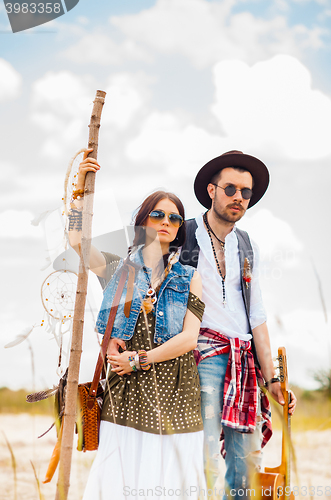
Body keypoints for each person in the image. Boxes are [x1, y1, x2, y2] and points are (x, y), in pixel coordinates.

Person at [68, 151, 207, 500]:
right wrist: (79, 193)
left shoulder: (190, 278)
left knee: (171, 479)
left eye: (175, 219)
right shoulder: (119, 270)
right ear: (141, 221)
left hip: (176, 391)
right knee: (121, 478)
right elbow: (75, 243)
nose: (167, 222)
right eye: (158, 214)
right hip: (127, 393)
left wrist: (139, 358)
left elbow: (190, 338)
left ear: (179, 230)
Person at [178, 150, 297, 498]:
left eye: (246, 192)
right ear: (212, 190)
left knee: (247, 462)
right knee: (204, 457)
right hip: (201, 357)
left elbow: (256, 315)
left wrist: (272, 378)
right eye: (231, 188)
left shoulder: (247, 246)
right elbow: (120, 263)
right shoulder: (180, 235)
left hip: (243, 362)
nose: (239, 198)